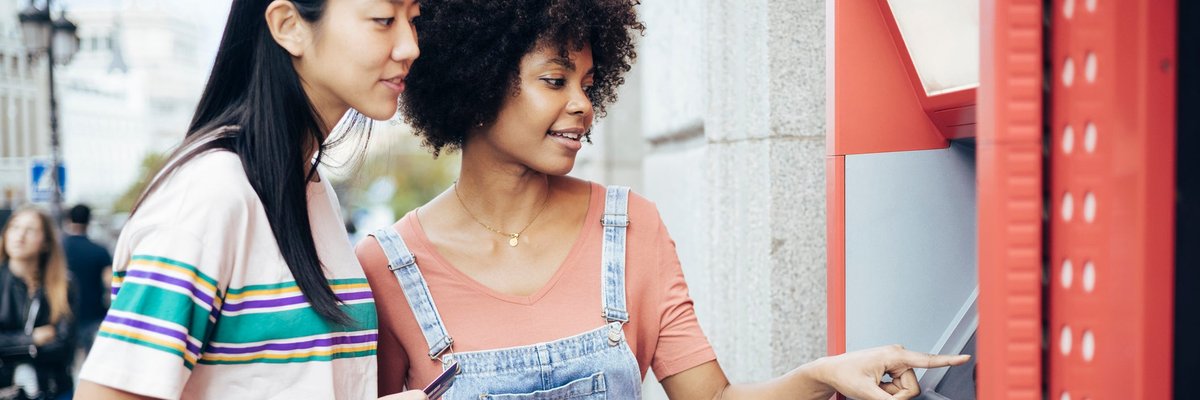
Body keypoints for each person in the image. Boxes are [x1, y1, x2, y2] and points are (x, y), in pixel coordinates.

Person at [356, 1, 969, 399]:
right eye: (554, 80)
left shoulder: (630, 228)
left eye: (589, 84)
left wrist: (822, 375)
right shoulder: (387, 267)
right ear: (475, 82)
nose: (582, 105)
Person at [74, 0, 427, 399]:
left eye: (413, 21)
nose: (409, 46)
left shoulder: (310, 188)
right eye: (384, 20)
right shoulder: (212, 194)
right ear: (288, 25)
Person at [1, 207, 75, 399]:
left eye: (30, 230)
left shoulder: (63, 285)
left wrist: (9, 345)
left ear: (46, 243)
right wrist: (32, 339)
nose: (20, 236)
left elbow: (63, 345)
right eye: (14, 227)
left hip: (53, 388)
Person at [62, 204, 112, 356]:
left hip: (64, 314)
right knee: (90, 360)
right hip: (92, 313)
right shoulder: (99, 250)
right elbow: (110, 282)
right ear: (89, 221)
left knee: (66, 361)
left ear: (69, 220)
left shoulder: (59, 249)